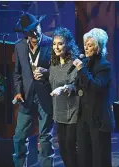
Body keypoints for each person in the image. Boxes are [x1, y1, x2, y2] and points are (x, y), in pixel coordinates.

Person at [13, 12, 54, 167]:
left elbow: (60, 71)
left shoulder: (51, 44)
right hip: (26, 97)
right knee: (19, 138)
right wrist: (18, 91)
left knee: (45, 138)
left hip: (46, 95)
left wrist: (47, 72)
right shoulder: (19, 46)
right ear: (25, 34)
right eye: (30, 31)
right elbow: (17, 73)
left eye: (36, 27)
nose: (35, 32)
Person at [72, 28, 115, 167]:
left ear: (99, 47)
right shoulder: (85, 62)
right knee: (84, 156)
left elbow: (96, 87)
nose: (86, 48)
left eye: (90, 45)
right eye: (85, 44)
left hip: (98, 118)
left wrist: (81, 70)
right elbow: (80, 85)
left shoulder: (104, 66)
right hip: (83, 117)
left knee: (99, 157)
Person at [49, 27, 79, 167]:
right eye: (54, 43)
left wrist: (64, 88)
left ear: (68, 44)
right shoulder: (54, 64)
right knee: (62, 149)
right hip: (59, 112)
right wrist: (43, 73)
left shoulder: (73, 63)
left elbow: (75, 85)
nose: (56, 47)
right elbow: (51, 80)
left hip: (72, 112)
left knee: (70, 148)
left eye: (60, 43)